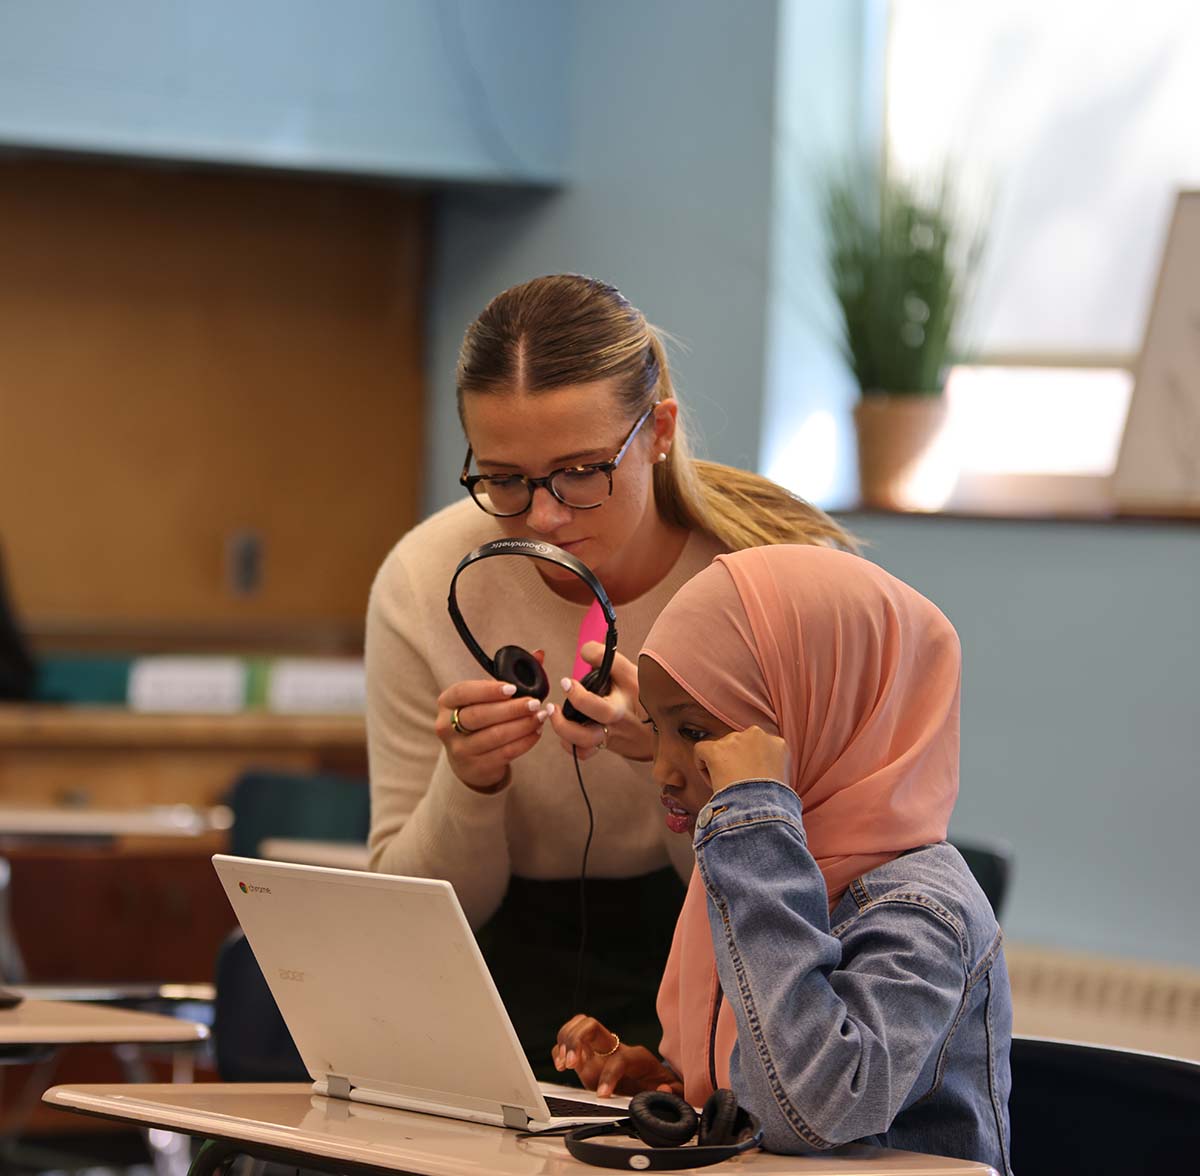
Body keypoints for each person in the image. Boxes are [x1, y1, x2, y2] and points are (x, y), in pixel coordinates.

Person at [365, 274, 855, 1075]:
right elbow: (410, 915)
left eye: (582, 472)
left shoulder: (763, 580)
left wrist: (662, 756)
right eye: (505, 479)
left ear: (658, 431)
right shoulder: (426, 582)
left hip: (724, 974)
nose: (544, 518)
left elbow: (791, 903)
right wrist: (469, 783)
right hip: (489, 974)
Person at [551, 546, 1012, 1173]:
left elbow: (810, 1110)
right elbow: (762, 1094)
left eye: (693, 732)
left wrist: (752, 819)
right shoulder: (767, 860)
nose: (660, 768)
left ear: (816, 713)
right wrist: (668, 1087)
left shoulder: (923, 913)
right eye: (657, 729)